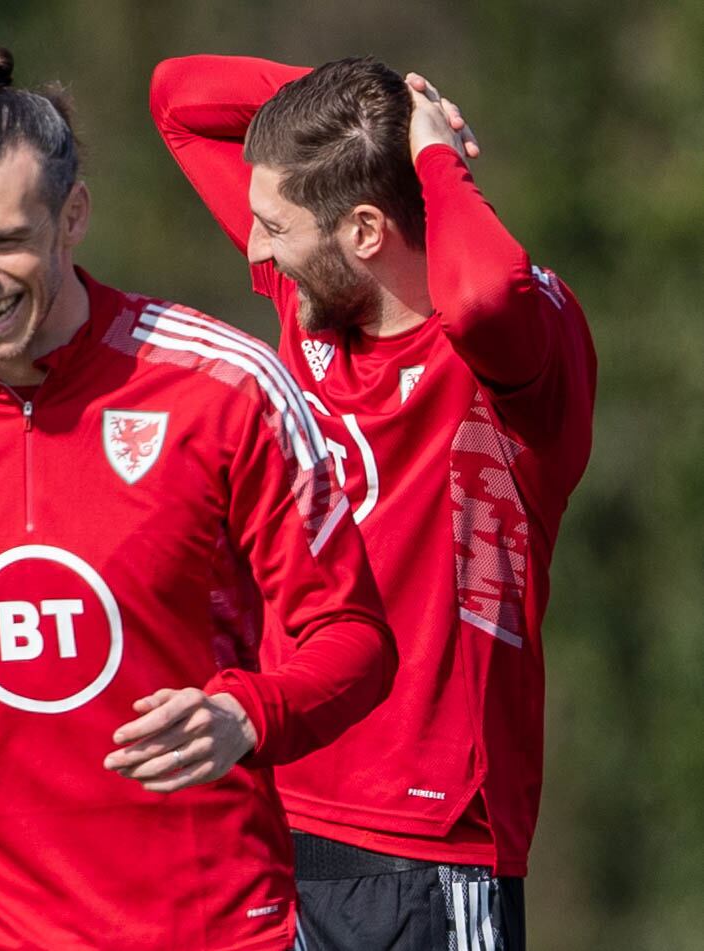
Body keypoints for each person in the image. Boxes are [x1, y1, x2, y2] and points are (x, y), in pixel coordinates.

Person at [0, 45, 396, 951]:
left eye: (3, 241)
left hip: (204, 924)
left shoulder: (224, 386)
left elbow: (353, 638)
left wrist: (248, 713)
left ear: (72, 216)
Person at [150, 55, 596, 950]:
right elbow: (180, 100)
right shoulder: (314, 294)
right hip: (274, 807)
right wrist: (392, 101)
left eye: (274, 225)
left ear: (363, 230)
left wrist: (435, 159)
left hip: (426, 843)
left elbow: (481, 297)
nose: (253, 248)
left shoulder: (509, 354)